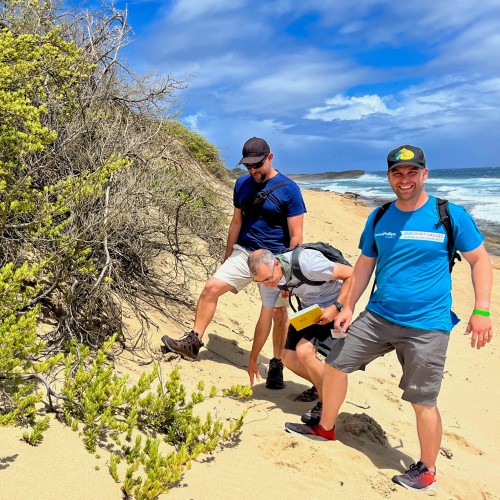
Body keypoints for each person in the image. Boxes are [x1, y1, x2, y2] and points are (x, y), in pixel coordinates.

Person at [284, 145, 493, 492]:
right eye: (398, 173)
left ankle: (426, 469)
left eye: (412, 172)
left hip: (428, 324)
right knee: (335, 364)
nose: (405, 179)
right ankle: (326, 427)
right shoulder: (379, 217)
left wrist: (482, 309)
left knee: (421, 399)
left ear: (425, 174)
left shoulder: (448, 214)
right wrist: (347, 305)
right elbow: (365, 264)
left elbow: (480, 260)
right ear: (389, 178)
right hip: (379, 316)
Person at [162, 137, 307, 389]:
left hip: (275, 260)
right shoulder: (241, 184)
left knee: (278, 313)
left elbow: (296, 236)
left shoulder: (289, 189)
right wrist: (229, 255)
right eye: (248, 166)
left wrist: (290, 273)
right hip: (244, 252)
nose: (253, 171)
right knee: (210, 288)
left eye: (257, 165)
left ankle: (276, 364)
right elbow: (236, 222)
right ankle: (193, 342)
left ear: (270, 158)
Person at [247, 246, 352, 422]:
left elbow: (352, 275)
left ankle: (325, 405)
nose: (267, 284)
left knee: (305, 351)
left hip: (334, 305)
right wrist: (253, 359)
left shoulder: (308, 263)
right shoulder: (268, 282)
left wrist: (336, 307)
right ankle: (325, 388)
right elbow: (264, 321)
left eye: (268, 278)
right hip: (310, 310)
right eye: (260, 282)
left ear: (277, 264)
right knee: (288, 358)